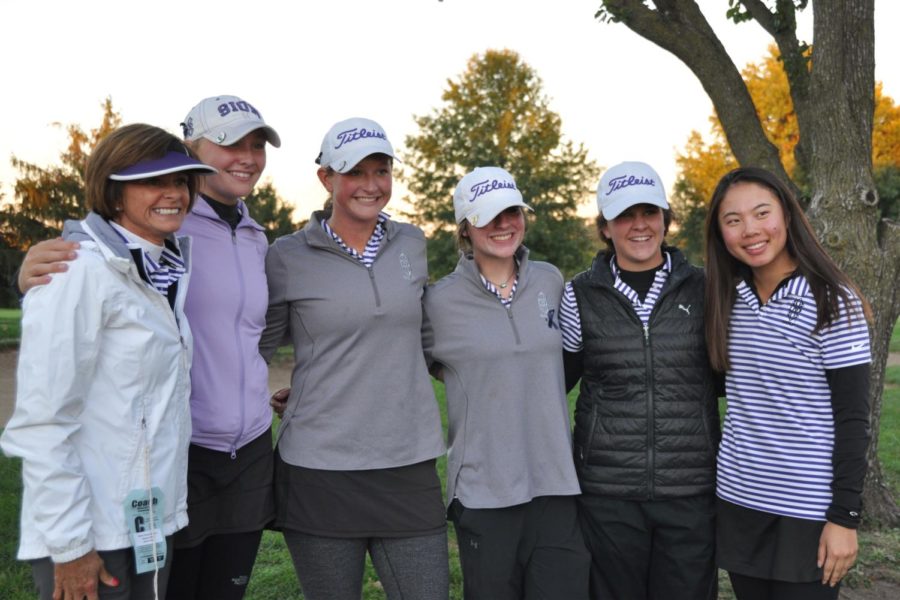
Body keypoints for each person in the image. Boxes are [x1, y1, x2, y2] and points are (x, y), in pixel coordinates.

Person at [16, 95, 282, 600]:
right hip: (143, 485)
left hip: (183, 481)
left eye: (256, 144)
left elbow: (258, 328)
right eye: (229, 144)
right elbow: (46, 417)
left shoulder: (196, 250)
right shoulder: (94, 260)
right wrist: (68, 544)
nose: (246, 156)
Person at [1, 123, 215, 600]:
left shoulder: (161, 269)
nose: (173, 193)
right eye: (152, 182)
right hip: (90, 533)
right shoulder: (77, 271)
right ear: (114, 192)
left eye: (181, 181)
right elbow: (42, 423)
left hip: (146, 520)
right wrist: (72, 544)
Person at [259, 117, 449, 600]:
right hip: (320, 468)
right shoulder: (286, 256)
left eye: (380, 171)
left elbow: (426, 336)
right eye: (354, 173)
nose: (371, 185)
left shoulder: (412, 242)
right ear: (326, 179)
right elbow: (253, 349)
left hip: (408, 462)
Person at [422, 166, 589, 599]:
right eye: (488, 216)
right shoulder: (437, 302)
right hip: (483, 492)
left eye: (511, 211)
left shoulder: (551, 281)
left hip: (556, 485)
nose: (503, 224)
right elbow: (405, 364)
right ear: (464, 227)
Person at [704, 166, 871, 600]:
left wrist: (845, 517)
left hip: (808, 514)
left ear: (788, 216)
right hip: (740, 501)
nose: (750, 230)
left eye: (762, 213)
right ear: (720, 232)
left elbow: (854, 419)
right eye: (733, 220)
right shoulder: (726, 298)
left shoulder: (832, 299)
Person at [559, 161, 720, 600]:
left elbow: (731, 380)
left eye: (649, 213)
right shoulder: (578, 295)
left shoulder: (706, 290)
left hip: (689, 489)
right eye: (624, 216)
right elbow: (557, 386)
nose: (639, 225)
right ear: (605, 227)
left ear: (666, 220)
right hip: (608, 494)